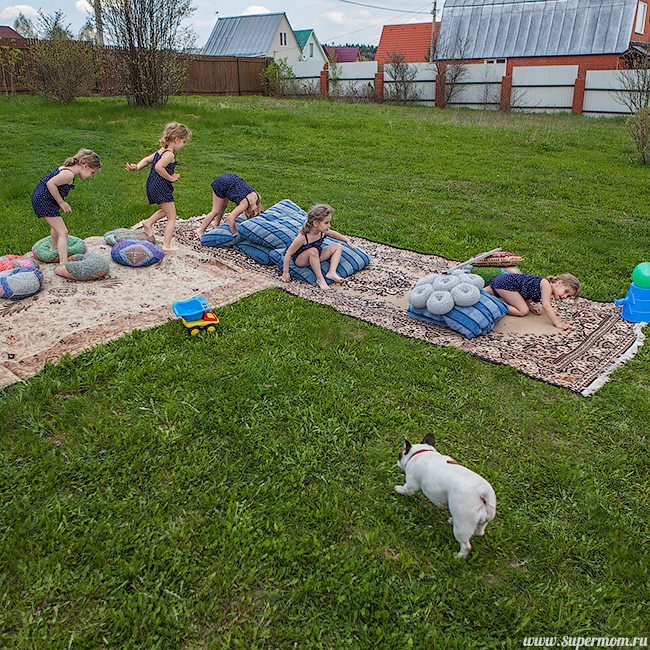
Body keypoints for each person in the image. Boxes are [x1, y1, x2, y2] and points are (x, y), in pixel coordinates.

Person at [126, 122, 191, 251]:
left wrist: (137, 167)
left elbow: (147, 160)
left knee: (167, 210)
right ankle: (166, 245)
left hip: (152, 185)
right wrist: (171, 177)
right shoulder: (169, 154)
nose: (183, 145)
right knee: (172, 217)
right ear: (176, 139)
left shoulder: (161, 151)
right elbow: (158, 167)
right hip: (161, 187)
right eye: (183, 142)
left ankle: (148, 222)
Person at [31, 149, 102, 264]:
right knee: (63, 232)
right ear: (85, 166)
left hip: (44, 198)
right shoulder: (68, 174)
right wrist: (61, 202)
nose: (91, 176)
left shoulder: (67, 170)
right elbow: (50, 183)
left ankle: (53, 249)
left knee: (56, 225)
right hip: (44, 200)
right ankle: (63, 264)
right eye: (92, 173)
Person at [280, 204, 356, 291]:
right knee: (313, 250)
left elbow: (332, 234)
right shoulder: (303, 236)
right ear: (315, 223)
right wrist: (285, 273)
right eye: (326, 223)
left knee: (338, 246)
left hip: (316, 255)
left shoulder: (322, 231)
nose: (329, 225)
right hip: (301, 260)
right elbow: (289, 253)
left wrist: (346, 240)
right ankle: (320, 279)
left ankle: (331, 272)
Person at [484, 272, 581, 330]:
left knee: (481, 293)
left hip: (503, 281)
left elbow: (520, 296)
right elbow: (546, 306)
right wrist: (558, 323)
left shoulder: (544, 286)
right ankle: (495, 305)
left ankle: (479, 293)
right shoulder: (547, 285)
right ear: (559, 283)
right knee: (523, 310)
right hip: (506, 284)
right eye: (566, 291)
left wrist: (531, 307)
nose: (565, 296)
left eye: (568, 296)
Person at [194, 173, 261, 237]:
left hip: (231, 180)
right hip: (221, 183)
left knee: (223, 206)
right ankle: (200, 230)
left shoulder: (258, 197)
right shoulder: (245, 204)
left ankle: (216, 223)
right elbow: (231, 218)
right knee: (216, 211)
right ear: (248, 213)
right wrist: (235, 233)